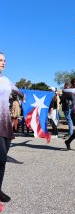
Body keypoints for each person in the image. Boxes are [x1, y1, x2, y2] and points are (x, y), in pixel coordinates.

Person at [0, 52, 24, 202]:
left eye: (4, 60)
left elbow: (17, 90)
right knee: (1, 157)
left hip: (5, 122)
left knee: (2, 160)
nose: (3, 62)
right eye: (0, 60)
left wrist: (23, 94)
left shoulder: (6, 80)